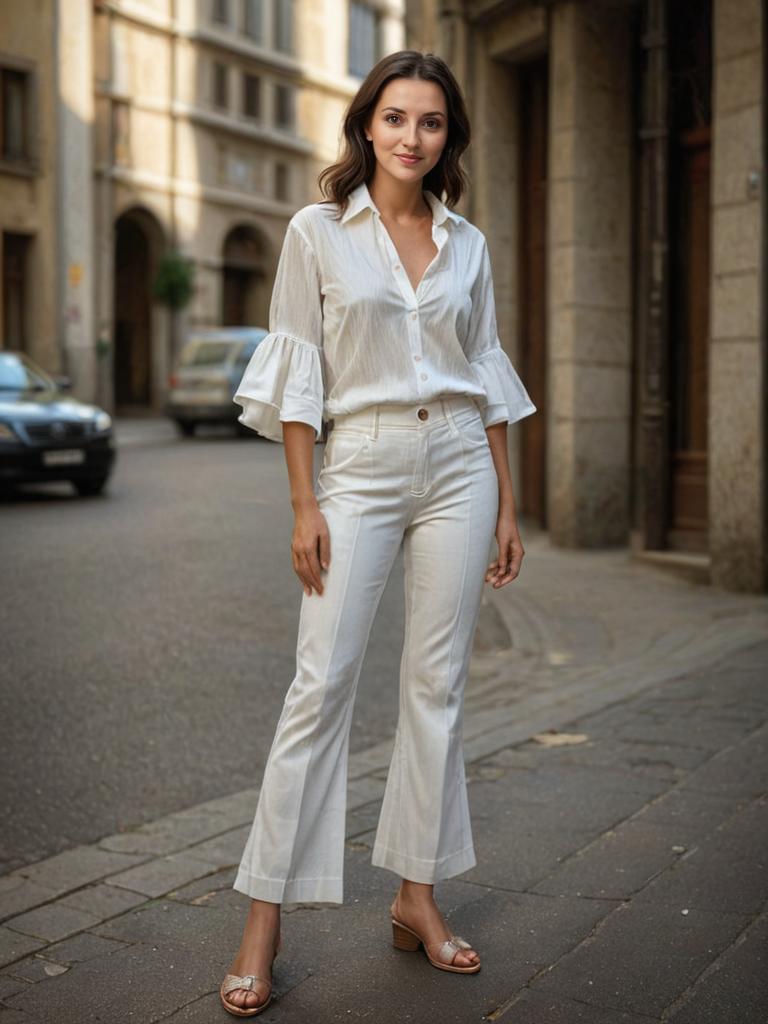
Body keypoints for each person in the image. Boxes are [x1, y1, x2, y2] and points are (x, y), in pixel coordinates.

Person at [220, 49, 537, 1017]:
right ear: (367, 125)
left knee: (436, 687)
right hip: (354, 469)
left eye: (431, 122)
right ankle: (263, 921)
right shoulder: (318, 232)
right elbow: (300, 370)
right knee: (320, 686)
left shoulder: (468, 244)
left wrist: (507, 498)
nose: (411, 136)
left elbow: (481, 368)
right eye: (395, 117)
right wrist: (304, 501)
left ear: (448, 138)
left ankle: (416, 895)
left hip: (456, 466)